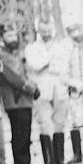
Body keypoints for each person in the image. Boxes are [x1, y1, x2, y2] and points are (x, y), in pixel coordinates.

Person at [25, 20, 72, 164]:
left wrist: (49, 65)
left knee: (59, 123)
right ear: (39, 31)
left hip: (59, 87)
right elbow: (35, 65)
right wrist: (48, 61)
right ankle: (49, 160)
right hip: (42, 89)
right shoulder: (32, 48)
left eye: (48, 31)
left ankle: (59, 159)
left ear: (52, 30)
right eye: (43, 31)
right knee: (45, 124)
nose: (46, 34)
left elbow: (64, 66)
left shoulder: (60, 47)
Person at [0, 27, 40, 164]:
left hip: (24, 101)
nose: (13, 38)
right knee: (21, 141)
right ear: (2, 38)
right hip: (16, 101)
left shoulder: (18, 54)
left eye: (14, 34)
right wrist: (33, 90)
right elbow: (16, 77)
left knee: (25, 139)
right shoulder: (1, 55)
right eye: (9, 35)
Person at [65, 24, 83, 163]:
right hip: (75, 91)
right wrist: (75, 84)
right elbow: (63, 73)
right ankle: (77, 154)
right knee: (75, 122)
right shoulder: (66, 50)